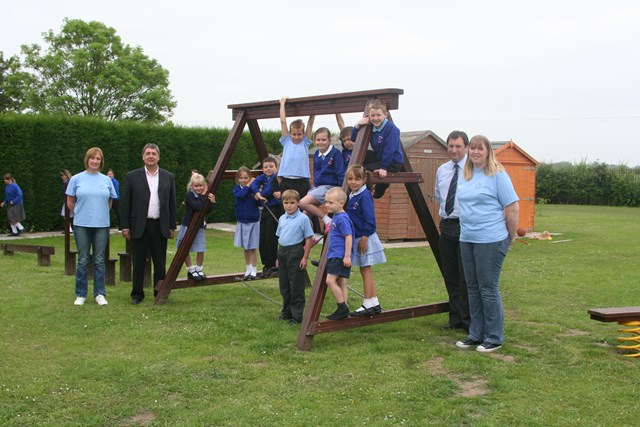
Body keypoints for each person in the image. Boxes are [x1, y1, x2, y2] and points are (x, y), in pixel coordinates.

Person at [455, 135, 519, 353]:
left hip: (491, 239)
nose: (475, 152)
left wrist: (510, 236)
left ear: (487, 151)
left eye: (479, 149)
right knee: (472, 287)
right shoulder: (466, 175)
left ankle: (494, 337)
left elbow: (512, 208)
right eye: (472, 148)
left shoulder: (498, 175)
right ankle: (476, 333)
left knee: (487, 288)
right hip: (467, 238)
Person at [120, 143, 177, 305]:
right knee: (138, 262)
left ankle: (159, 293)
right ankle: (137, 294)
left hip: (160, 226)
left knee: (160, 263)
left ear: (158, 157)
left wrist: (172, 226)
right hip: (139, 226)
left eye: (154, 153)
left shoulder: (168, 177)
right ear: (143, 156)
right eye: (148, 153)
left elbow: (172, 203)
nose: (151, 156)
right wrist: (125, 226)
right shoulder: (132, 177)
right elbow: (126, 203)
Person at [65, 148, 117, 306]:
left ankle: (100, 294)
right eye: (92, 158)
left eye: (98, 159)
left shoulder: (106, 180)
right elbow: (70, 201)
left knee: (100, 260)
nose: (95, 161)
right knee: (82, 260)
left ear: (101, 161)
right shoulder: (76, 179)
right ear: (87, 160)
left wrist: (99, 214)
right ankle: (80, 294)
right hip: (82, 225)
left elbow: (110, 201)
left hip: (101, 225)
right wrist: (82, 213)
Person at [435, 131, 471, 332]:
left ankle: (468, 322)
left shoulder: (473, 169)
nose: (454, 150)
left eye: (458, 146)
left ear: (466, 147)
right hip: (447, 224)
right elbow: (440, 196)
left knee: (465, 276)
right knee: (450, 275)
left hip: (466, 225)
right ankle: (455, 319)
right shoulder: (442, 170)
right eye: (451, 146)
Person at [345, 165, 386, 316]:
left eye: (357, 179)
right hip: (358, 237)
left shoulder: (365, 195)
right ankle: (374, 302)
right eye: (350, 179)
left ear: (364, 180)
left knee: (365, 270)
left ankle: (368, 303)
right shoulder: (352, 194)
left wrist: (364, 238)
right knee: (365, 269)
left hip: (364, 237)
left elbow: (370, 219)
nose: (353, 182)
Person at [351, 99, 403, 198]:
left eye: (378, 115)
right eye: (372, 115)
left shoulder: (391, 128)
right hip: (380, 157)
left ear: (385, 114)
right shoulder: (370, 126)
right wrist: (358, 125)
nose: (375, 118)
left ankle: (380, 187)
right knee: (365, 155)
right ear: (368, 116)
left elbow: (390, 150)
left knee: (364, 170)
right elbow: (354, 139)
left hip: (392, 162)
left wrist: (383, 167)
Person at [275, 189, 314, 325]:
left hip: (296, 251)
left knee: (296, 284)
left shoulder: (303, 219)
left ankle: (297, 316)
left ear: (298, 203)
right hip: (283, 252)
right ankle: (286, 312)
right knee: (284, 284)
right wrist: (278, 257)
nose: (289, 206)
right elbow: (280, 238)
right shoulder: (282, 218)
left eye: (292, 202)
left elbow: (309, 239)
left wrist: (304, 257)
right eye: (286, 203)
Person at [299, 127, 344, 235]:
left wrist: (342, 190)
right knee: (305, 213)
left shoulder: (335, 153)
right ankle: (310, 236)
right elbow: (316, 172)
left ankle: (327, 220)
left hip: (331, 187)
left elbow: (341, 172)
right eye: (318, 140)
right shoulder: (316, 154)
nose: (320, 142)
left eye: (323, 140)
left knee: (302, 202)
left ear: (329, 140)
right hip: (319, 187)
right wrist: (315, 187)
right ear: (314, 141)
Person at [176, 173, 216, 281]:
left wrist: (212, 203)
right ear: (191, 186)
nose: (199, 188)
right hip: (188, 226)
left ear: (204, 185)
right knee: (184, 248)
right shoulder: (190, 195)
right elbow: (198, 207)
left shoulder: (203, 196)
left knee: (200, 248)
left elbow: (206, 211)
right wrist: (204, 195)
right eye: (196, 186)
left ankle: (199, 269)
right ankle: (191, 269)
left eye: (201, 186)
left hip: (198, 227)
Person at [323, 187, 354, 320]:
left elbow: (348, 237)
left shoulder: (342, 219)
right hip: (335, 255)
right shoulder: (337, 216)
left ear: (341, 203)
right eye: (326, 202)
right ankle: (344, 308)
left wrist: (347, 256)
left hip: (340, 256)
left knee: (330, 281)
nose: (326, 205)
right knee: (341, 282)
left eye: (330, 202)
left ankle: (342, 307)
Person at [276, 96, 315, 199]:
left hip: (302, 179)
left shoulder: (305, 142)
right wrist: (282, 104)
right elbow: (283, 122)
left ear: (303, 134)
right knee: (287, 205)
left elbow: (310, 124)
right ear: (290, 133)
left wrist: (314, 109)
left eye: (299, 134)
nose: (296, 137)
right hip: (287, 179)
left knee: (303, 205)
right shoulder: (287, 141)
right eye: (294, 134)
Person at [250, 156, 283, 276]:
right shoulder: (263, 177)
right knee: (262, 238)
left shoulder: (277, 178)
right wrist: (257, 193)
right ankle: (266, 264)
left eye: (271, 167)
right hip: (266, 209)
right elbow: (253, 184)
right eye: (266, 167)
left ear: (276, 167)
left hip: (275, 209)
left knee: (270, 237)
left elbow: (268, 191)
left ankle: (273, 265)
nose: (268, 169)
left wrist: (259, 195)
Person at [233, 166, 260, 280]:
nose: (244, 180)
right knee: (245, 247)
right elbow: (241, 196)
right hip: (242, 221)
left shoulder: (253, 189)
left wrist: (256, 193)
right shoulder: (237, 189)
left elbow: (260, 203)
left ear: (250, 178)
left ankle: (254, 269)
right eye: (241, 178)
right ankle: (248, 268)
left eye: (246, 178)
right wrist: (249, 186)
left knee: (252, 246)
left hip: (253, 221)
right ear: (238, 179)